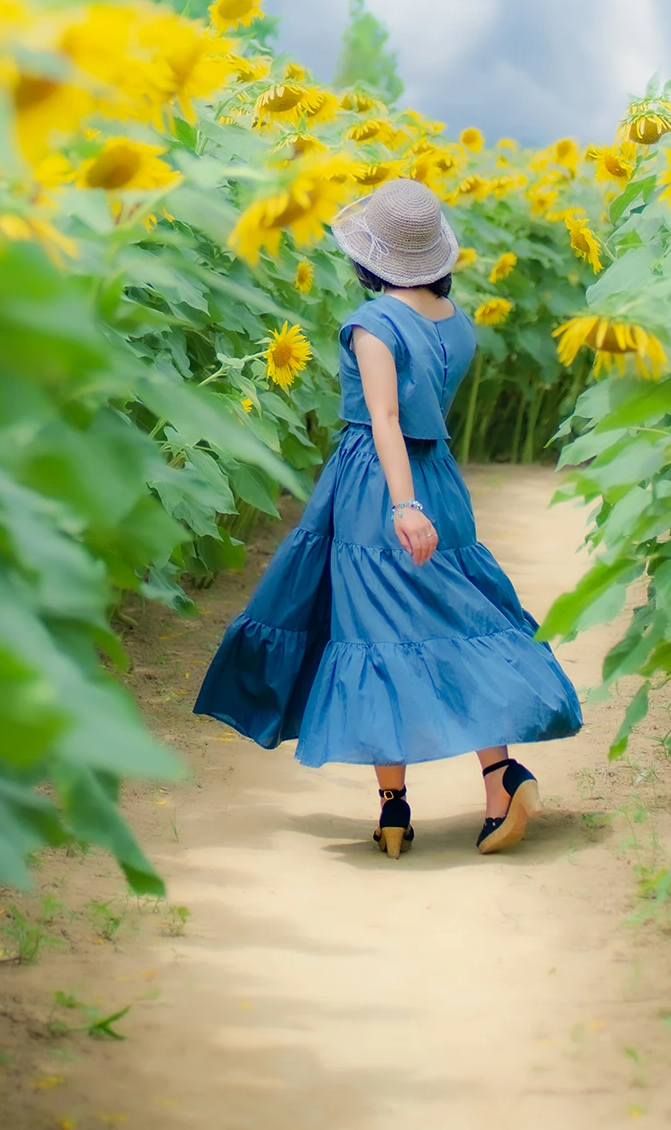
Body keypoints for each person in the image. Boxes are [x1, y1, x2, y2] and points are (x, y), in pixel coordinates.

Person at [194, 176, 581, 855]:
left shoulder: (372, 324)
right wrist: (422, 498)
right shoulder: (455, 325)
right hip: (441, 482)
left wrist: (401, 505)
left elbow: (384, 421)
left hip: (379, 488)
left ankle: (394, 811)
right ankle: (502, 779)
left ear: (370, 255)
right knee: (458, 621)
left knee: (373, 634)